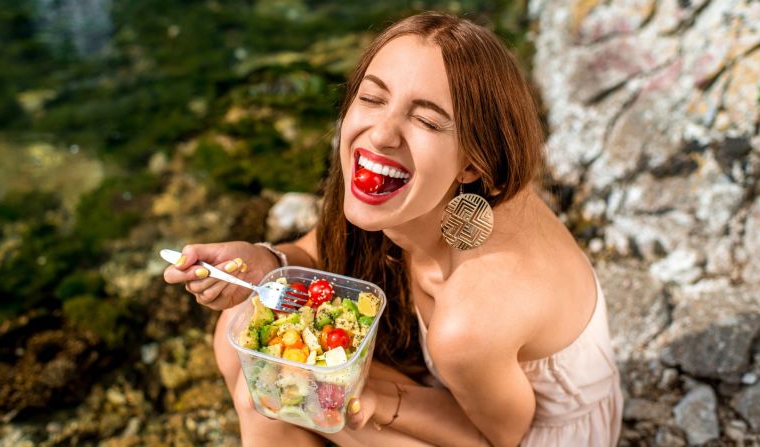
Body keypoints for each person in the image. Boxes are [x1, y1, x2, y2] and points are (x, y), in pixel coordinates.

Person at [164, 11, 623, 447]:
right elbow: (320, 249)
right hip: (465, 392)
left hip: (523, 435)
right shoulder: (444, 198)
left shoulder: (473, 314)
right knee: (246, 333)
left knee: (269, 391)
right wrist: (269, 262)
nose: (382, 133)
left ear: (473, 162)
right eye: (371, 97)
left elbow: (498, 438)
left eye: (425, 120)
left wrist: (376, 399)